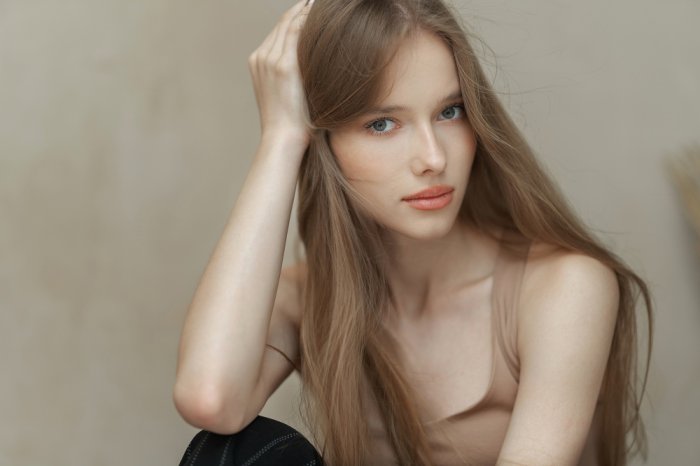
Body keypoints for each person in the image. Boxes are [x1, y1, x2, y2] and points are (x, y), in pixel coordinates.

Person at [173, 0, 654, 464]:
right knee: (230, 452)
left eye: (450, 111)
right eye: (383, 124)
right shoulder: (309, 297)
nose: (433, 158)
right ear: (325, 143)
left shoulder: (563, 286)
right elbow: (211, 400)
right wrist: (281, 139)